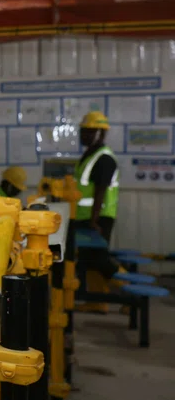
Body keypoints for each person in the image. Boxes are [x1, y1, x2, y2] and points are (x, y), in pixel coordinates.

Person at [73, 110, 119, 312]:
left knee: (99, 259)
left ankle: (129, 291)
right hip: (85, 217)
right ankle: (97, 302)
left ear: (101, 133)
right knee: (88, 259)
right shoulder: (90, 154)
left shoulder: (104, 158)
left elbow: (100, 190)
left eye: (89, 132)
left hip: (98, 218)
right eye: (83, 131)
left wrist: (94, 221)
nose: (84, 135)